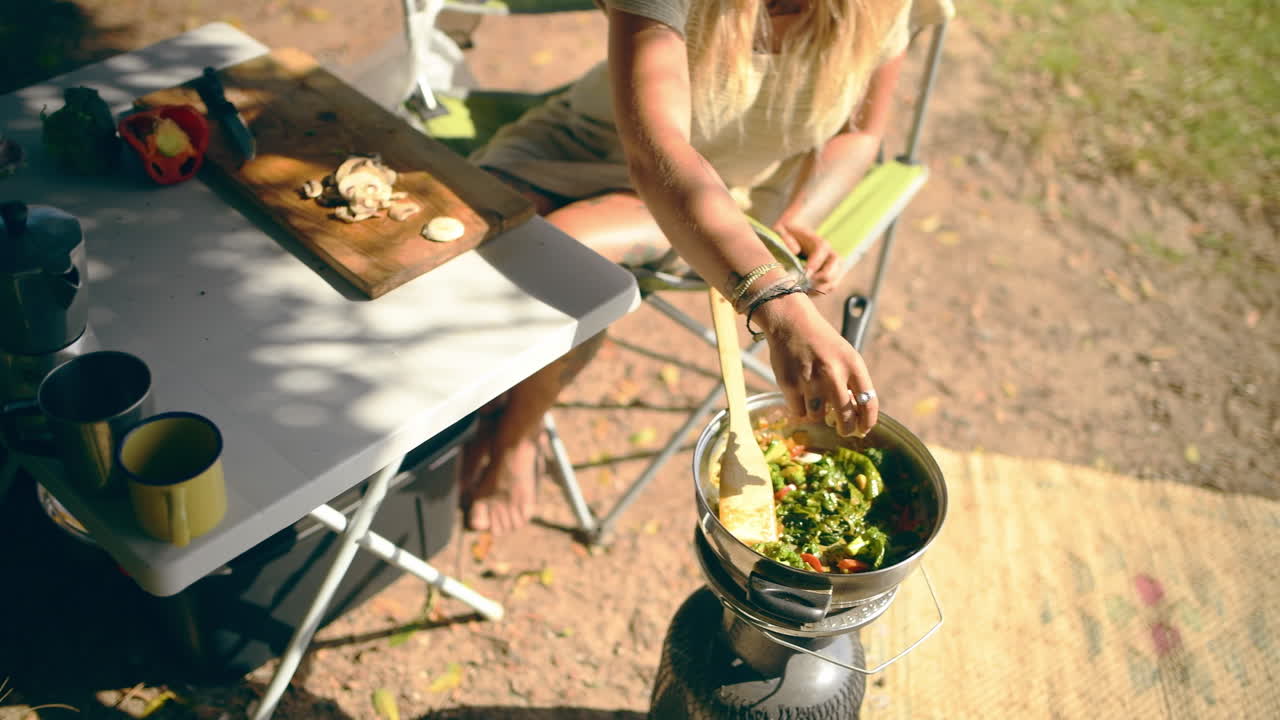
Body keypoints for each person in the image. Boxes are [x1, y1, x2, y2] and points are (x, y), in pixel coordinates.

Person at [461, 0, 924, 533]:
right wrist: (779, 304)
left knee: (566, 256)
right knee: (462, 261)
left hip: (723, 201)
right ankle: (495, 406)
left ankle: (519, 432)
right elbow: (658, 152)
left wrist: (801, 216)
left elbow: (861, 133)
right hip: (585, 145)